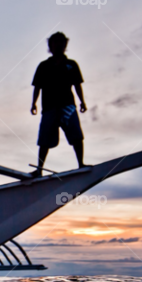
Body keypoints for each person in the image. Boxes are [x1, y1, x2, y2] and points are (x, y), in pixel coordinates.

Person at [30, 31, 89, 178]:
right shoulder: (43, 66)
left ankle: (81, 163)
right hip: (49, 107)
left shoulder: (71, 65)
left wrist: (82, 101)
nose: (58, 45)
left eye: (61, 42)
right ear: (50, 46)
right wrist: (33, 104)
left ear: (65, 45)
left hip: (68, 106)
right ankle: (39, 169)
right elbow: (37, 86)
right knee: (44, 140)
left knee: (76, 135)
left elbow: (77, 84)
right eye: (55, 42)